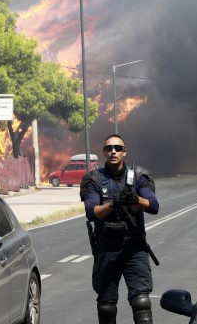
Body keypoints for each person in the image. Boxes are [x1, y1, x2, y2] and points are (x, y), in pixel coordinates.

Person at [81, 134, 160, 324]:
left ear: (125, 151)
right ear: (104, 152)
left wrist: (135, 199)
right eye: (109, 148)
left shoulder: (139, 176)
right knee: (106, 305)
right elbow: (92, 212)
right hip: (106, 249)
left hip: (134, 248)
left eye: (117, 148)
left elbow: (154, 206)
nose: (113, 151)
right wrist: (113, 203)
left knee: (141, 302)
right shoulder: (94, 179)